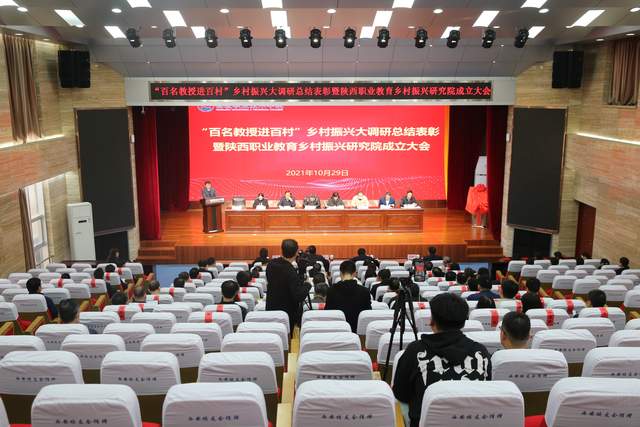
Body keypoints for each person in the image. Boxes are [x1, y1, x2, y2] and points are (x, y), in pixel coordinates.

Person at [393, 293, 491, 427]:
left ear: (432, 321)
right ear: (463, 322)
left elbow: (401, 394)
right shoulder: (481, 352)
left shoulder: (415, 350)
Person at [266, 239, 312, 332]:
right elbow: (298, 296)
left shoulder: (271, 264)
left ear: (282, 250)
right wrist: (307, 284)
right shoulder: (290, 272)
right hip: (286, 314)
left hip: (271, 308)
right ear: (296, 253)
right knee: (285, 337)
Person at [325, 260, 372, 332]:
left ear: (340, 273)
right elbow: (367, 314)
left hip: (337, 329)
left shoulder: (331, 290)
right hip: (357, 331)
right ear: (355, 274)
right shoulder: (365, 291)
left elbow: (328, 312)